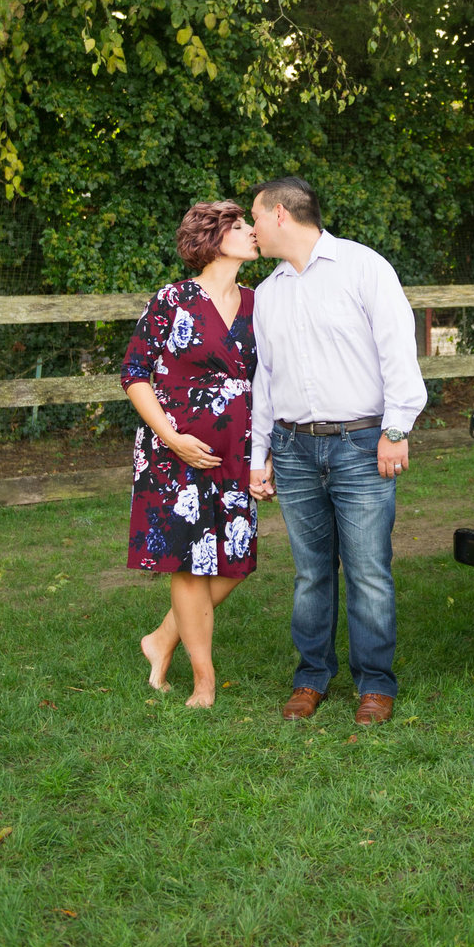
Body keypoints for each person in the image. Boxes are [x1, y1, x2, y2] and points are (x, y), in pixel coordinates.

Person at [247, 177, 427, 725]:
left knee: (369, 569)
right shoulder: (270, 291)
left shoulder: (363, 267)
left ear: (280, 215)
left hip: (361, 443)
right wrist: (260, 455)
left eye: (255, 217)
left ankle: (375, 683)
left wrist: (396, 431)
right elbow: (264, 378)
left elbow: (398, 346)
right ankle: (312, 677)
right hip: (294, 447)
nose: (251, 230)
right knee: (311, 573)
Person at [122, 201, 259, 708]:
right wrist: (172, 436)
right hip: (174, 450)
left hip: (236, 451)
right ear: (213, 236)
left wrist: (262, 455)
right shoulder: (172, 299)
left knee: (234, 560)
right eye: (240, 226)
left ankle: (161, 638)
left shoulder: (257, 303)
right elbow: (134, 375)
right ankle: (204, 681)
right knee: (189, 563)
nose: (252, 233)